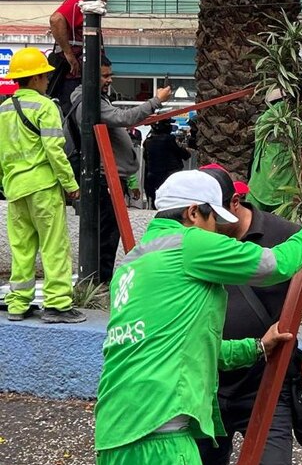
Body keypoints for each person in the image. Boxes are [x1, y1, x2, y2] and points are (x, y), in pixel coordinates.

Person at [94, 170, 302, 465]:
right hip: (161, 432)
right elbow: (276, 265)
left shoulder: (132, 262)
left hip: (113, 431)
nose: (218, 231)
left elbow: (188, 345)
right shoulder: (189, 244)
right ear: (194, 212)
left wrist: (257, 347)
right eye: (214, 221)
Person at [196, 166, 302, 465]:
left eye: (213, 218)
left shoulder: (285, 235)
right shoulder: (196, 243)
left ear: (234, 203)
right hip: (207, 385)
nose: (208, 227)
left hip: (267, 383)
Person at [0, 48, 83, 323]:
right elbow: (54, 150)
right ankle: (57, 305)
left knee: (21, 248)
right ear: (35, 78)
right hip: (43, 187)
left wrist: (8, 182)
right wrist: (70, 184)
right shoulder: (45, 106)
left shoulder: (3, 110)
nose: (48, 81)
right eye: (45, 76)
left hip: (15, 189)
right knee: (54, 246)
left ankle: (18, 304)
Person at [72, 55, 172, 282]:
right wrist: (155, 101)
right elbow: (125, 117)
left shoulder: (97, 100)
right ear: (90, 77)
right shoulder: (90, 103)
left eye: (111, 75)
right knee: (106, 235)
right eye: (105, 76)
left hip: (112, 178)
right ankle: (100, 281)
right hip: (104, 179)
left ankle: (99, 280)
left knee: (108, 232)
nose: (109, 80)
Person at [47, 0, 111, 114]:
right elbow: (56, 20)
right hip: (72, 78)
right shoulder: (80, 1)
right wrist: (69, 54)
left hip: (80, 77)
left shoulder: (85, 5)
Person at [143, 118, 191, 207]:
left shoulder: (148, 141)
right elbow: (185, 155)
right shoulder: (169, 139)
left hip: (153, 176)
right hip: (170, 175)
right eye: (169, 124)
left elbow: (145, 158)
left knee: (155, 202)